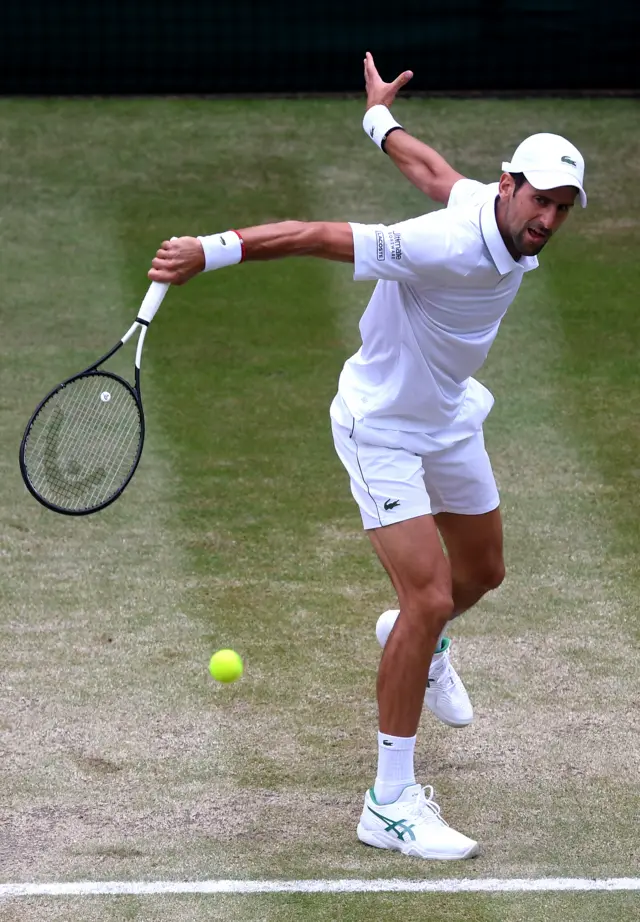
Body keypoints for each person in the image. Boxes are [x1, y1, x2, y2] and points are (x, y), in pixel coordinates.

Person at [148, 51, 586, 861]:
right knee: (426, 597)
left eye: (563, 208)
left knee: (480, 575)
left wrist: (376, 118)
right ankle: (388, 804)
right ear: (510, 184)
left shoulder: (495, 215)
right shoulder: (440, 245)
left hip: (449, 417)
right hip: (380, 425)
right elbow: (319, 236)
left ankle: (423, 641)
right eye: (542, 201)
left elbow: (430, 169)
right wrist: (211, 249)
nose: (549, 222)